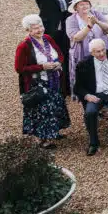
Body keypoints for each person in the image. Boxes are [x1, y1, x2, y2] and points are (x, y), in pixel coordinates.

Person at [15, 14, 70, 148]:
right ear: (28, 30)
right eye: (35, 28)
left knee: (55, 106)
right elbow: (19, 68)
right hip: (37, 83)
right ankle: (42, 140)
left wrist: (58, 63)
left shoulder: (48, 38)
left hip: (54, 80)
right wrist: (42, 67)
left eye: (40, 26)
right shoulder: (24, 46)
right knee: (42, 110)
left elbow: (60, 54)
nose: (39, 30)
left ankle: (53, 131)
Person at [23, 0, 73, 96]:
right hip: (50, 30)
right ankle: (56, 88)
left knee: (66, 55)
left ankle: (68, 86)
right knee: (52, 57)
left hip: (66, 28)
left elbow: (71, 8)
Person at [65, 0, 108, 92]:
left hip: (101, 49)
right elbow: (76, 38)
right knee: (88, 74)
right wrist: (89, 26)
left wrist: (98, 22)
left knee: (104, 71)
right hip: (83, 51)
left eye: (87, 4)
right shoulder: (71, 19)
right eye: (81, 4)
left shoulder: (96, 13)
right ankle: (87, 95)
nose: (85, 6)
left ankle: (105, 91)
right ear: (76, 8)